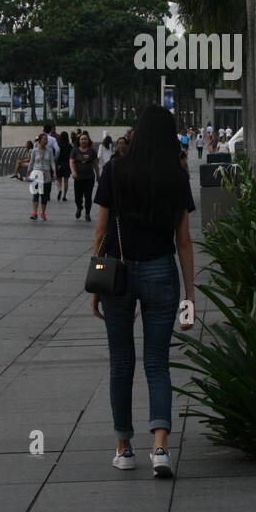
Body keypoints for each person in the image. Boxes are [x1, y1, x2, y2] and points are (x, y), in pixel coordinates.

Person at [90, 104, 195, 478]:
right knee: (157, 362)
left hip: (117, 275)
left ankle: (123, 447)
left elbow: (101, 230)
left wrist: (94, 284)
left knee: (121, 362)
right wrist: (190, 294)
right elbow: (183, 240)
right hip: (161, 271)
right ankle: (161, 447)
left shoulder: (116, 169)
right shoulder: (177, 177)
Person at [70, 131, 99, 221]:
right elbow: (71, 162)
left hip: (89, 177)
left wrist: (98, 175)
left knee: (88, 196)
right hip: (78, 178)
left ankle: (87, 213)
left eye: (85, 139)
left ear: (88, 140)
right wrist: (73, 172)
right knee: (77, 197)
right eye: (82, 139)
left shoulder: (92, 151)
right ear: (79, 141)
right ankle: (79, 207)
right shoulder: (75, 150)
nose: (83, 141)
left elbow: (95, 164)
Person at [28, 134, 56, 220]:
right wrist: (28, 173)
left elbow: (52, 162)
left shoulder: (49, 151)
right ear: (39, 141)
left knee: (44, 195)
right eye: (44, 139)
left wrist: (54, 172)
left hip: (46, 175)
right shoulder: (34, 151)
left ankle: (43, 213)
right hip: (36, 174)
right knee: (35, 194)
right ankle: (34, 213)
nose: (46, 141)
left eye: (46, 139)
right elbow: (31, 162)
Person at [55, 131, 72, 201]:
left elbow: (56, 155)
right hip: (67, 165)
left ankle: (59, 189)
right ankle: (64, 196)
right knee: (66, 181)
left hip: (59, 164)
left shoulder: (58, 145)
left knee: (59, 180)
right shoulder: (69, 146)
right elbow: (71, 156)